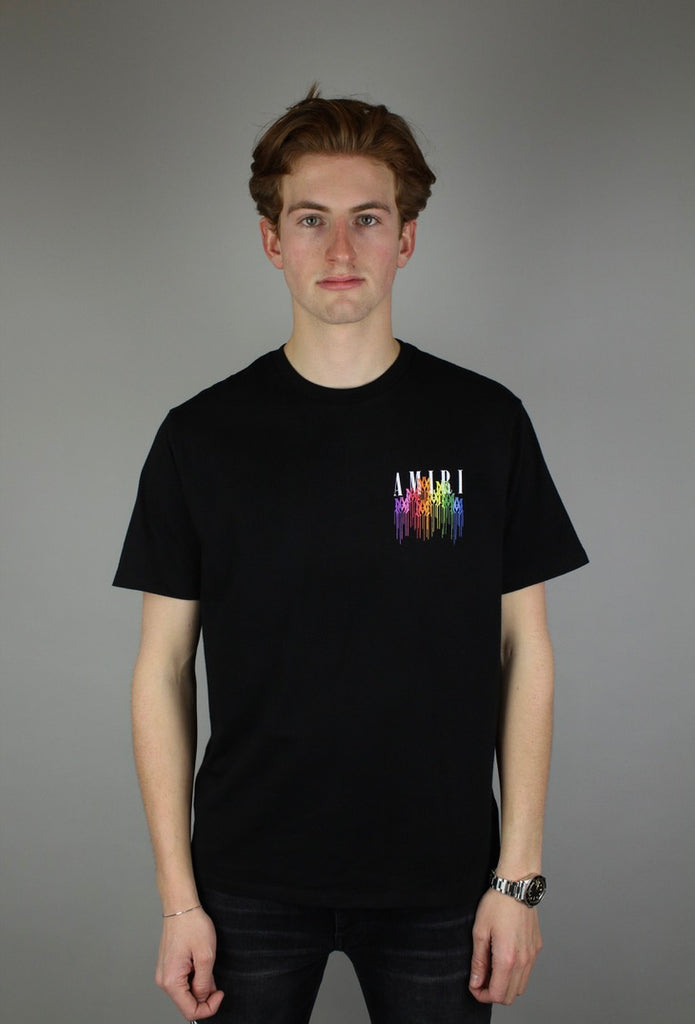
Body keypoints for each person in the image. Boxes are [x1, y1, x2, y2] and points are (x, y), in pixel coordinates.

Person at [114, 86, 588, 1023]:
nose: (340, 250)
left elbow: (524, 648)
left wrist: (518, 877)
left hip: (443, 881)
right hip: (246, 882)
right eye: (311, 220)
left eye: (367, 219)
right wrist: (178, 898)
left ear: (405, 238)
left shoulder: (481, 422)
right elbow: (161, 668)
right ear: (271, 239)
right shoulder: (200, 438)